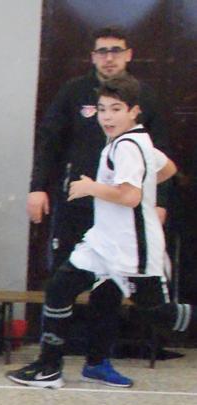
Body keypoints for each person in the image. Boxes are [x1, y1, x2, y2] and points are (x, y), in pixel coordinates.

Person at [9, 75, 187, 389]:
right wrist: (144, 185)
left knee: (158, 314)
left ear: (134, 111)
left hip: (133, 248)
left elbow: (130, 196)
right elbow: (168, 168)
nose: (107, 116)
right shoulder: (134, 141)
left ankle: (65, 364)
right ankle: (49, 367)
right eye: (102, 109)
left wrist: (93, 187)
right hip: (104, 241)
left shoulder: (129, 147)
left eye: (116, 109)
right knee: (59, 288)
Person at [27, 26, 170, 270]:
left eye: (116, 51)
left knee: (114, 283)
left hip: (125, 207)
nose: (109, 58)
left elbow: (160, 155)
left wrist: (161, 203)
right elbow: (49, 142)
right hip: (78, 203)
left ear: (129, 54)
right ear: (93, 56)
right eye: (102, 52)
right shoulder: (73, 92)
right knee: (65, 275)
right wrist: (37, 188)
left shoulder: (144, 96)